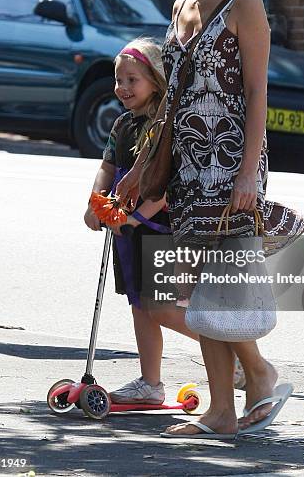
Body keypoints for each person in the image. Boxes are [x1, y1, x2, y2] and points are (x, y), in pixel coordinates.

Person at [116, 0, 304, 438]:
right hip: (185, 166)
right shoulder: (182, 6)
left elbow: (256, 92)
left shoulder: (245, 4)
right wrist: (141, 166)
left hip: (230, 165)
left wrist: (248, 172)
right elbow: (171, 98)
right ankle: (229, 402)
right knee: (200, 290)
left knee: (214, 287)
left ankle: (248, 383)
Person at [84, 37, 198, 404]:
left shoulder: (164, 126)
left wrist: (134, 218)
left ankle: (230, 350)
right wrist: (97, 203)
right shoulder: (122, 124)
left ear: (155, 79)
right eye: (119, 80)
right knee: (140, 306)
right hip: (126, 229)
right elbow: (108, 166)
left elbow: (163, 187)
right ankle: (150, 384)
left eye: (132, 80)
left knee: (161, 306)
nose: (123, 88)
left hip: (157, 229)